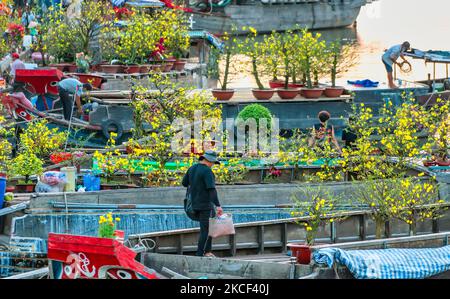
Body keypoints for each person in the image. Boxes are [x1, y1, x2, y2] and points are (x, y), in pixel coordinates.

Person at [182, 150, 223, 257]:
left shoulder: (192, 168)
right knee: (207, 230)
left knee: (206, 229)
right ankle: (201, 254)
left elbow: (184, 183)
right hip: (205, 205)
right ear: (208, 160)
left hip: (193, 205)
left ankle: (207, 252)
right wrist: (218, 205)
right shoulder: (207, 171)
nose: (213, 165)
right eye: (213, 162)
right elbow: (211, 190)